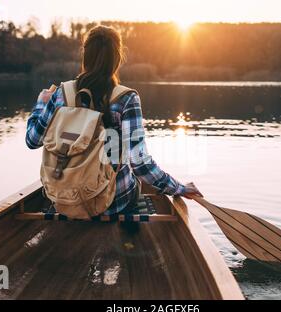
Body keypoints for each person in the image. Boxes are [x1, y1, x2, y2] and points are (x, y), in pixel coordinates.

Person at [25, 25, 202, 216]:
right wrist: (179, 188)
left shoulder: (61, 94)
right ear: (117, 59)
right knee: (133, 176)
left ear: (85, 57)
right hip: (113, 203)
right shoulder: (126, 99)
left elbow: (32, 140)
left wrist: (41, 104)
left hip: (63, 198)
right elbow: (140, 163)